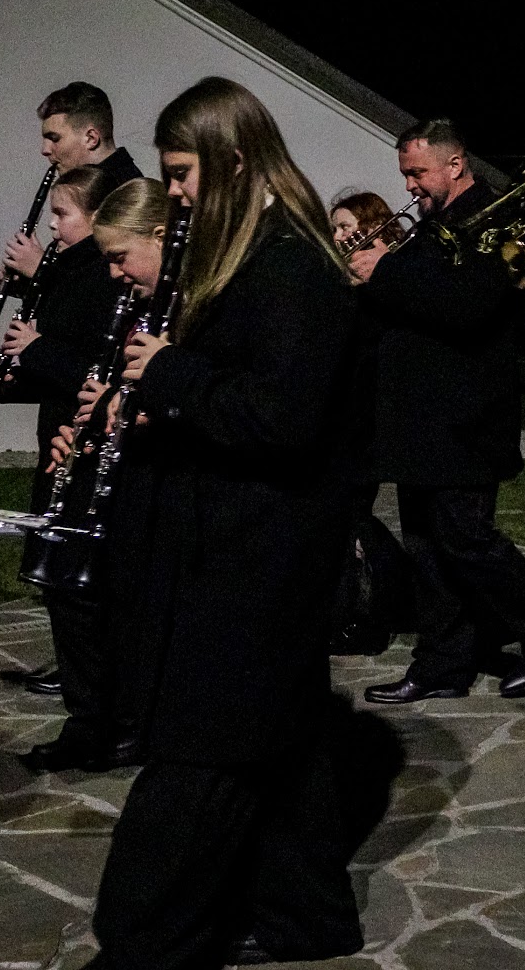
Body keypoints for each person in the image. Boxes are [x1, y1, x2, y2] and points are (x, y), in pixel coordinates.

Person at [82, 77, 364, 967]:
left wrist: (169, 374)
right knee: (281, 745)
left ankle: (140, 940)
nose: (173, 194)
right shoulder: (251, 252)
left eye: (183, 173)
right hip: (238, 538)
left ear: (235, 161)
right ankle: (304, 918)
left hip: (261, 552)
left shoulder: (292, 265)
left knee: (202, 752)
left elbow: (282, 417)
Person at [359, 120, 525, 704]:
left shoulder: (494, 221)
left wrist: (385, 271)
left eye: (418, 172)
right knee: (424, 546)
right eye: (405, 174)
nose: (409, 186)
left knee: (466, 539)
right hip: (421, 417)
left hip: (466, 417)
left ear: (455, 165)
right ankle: (443, 662)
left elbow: (469, 307)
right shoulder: (434, 226)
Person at [0, 166, 135, 770]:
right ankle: (91, 717)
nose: (52, 226)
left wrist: (37, 349)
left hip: (99, 451)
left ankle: (106, 721)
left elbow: (96, 371)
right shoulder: (74, 274)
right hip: (67, 441)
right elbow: (71, 370)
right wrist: (11, 382)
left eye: (62, 215)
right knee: (66, 592)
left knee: (87, 595)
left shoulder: (103, 280)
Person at [327, 189, 416, 655]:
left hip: (367, 417)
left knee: (352, 518)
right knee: (344, 518)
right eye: (334, 228)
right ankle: (356, 609)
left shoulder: (384, 279)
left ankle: (368, 613)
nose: (338, 236)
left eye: (347, 227)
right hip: (341, 416)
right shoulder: (339, 281)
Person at [2, 82, 144, 283]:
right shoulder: (89, 183)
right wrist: (28, 283)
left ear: (91, 138)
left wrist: (41, 271)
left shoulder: (125, 191)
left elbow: (107, 282)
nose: (45, 150)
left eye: (54, 138)